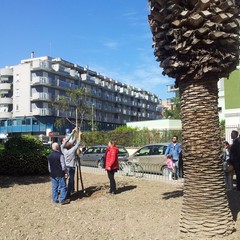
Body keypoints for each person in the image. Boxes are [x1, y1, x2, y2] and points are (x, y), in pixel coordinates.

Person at [61, 128, 82, 198]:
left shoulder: (63, 149)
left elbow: (69, 143)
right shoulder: (72, 150)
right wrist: (79, 136)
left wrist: (73, 133)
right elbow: (78, 143)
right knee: (71, 180)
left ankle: (67, 191)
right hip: (71, 168)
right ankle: (68, 194)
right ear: (70, 146)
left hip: (66, 167)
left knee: (67, 179)